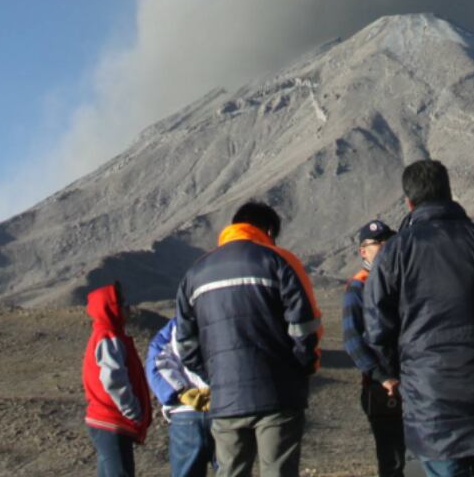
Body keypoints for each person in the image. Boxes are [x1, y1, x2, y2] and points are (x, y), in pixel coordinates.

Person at [365, 160, 474, 477]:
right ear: (449, 193)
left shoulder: (395, 253)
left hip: (430, 401)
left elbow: (376, 328)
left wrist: (401, 372)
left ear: (409, 203)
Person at [175, 202, 322, 477]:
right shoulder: (277, 260)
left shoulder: (195, 274)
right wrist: (302, 367)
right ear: (268, 230)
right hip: (278, 395)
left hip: (226, 399)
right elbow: (304, 325)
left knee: (230, 471)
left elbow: (184, 342)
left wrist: (215, 377)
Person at [343, 218, 406, 477]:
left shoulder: (401, 280)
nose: (384, 246)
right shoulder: (358, 287)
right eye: (377, 242)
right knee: (393, 460)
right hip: (381, 389)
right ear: (363, 251)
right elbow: (352, 339)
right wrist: (381, 377)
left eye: (387, 241)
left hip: (415, 381)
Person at [84, 281, 155, 477]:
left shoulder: (107, 335)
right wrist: (131, 409)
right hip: (112, 420)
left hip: (106, 421)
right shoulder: (108, 337)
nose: (127, 309)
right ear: (110, 308)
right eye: (121, 304)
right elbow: (113, 378)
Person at [145, 314, 216, 477]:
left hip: (185, 414)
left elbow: (156, 362)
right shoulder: (230, 317)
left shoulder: (176, 326)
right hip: (224, 410)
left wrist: (181, 392)